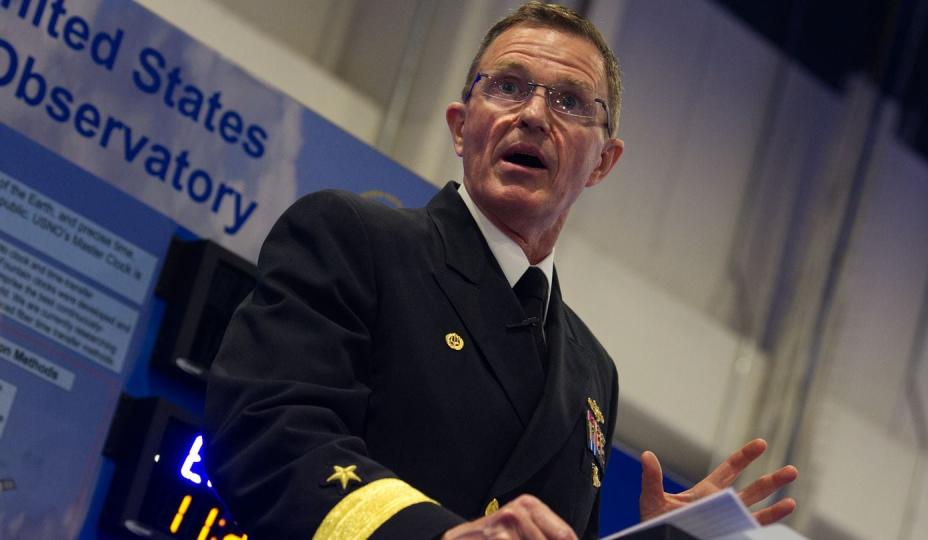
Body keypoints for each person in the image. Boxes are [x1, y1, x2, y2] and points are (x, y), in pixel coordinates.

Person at [204, 2, 798, 539]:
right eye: (509, 87)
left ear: (603, 163)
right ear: (461, 127)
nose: (535, 115)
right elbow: (267, 433)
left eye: (569, 101)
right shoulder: (354, 239)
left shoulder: (593, 372)